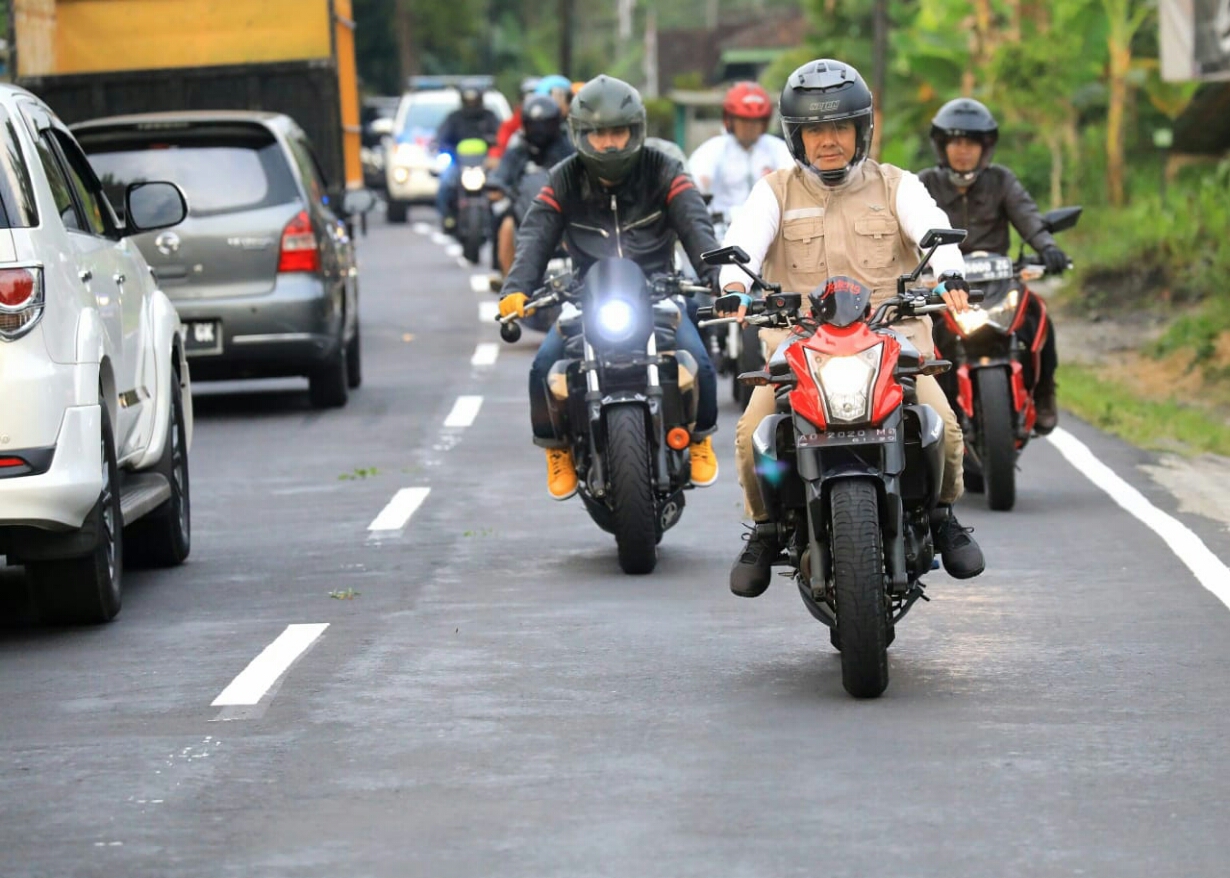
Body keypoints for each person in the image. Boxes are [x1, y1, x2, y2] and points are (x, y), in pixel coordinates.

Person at [717, 59, 986, 598]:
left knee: (944, 424)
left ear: (861, 130)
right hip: (799, 345)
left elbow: (933, 228)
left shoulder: (897, 185)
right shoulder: (774, 191)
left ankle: (941, 516)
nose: (829, 141)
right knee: (752, 436)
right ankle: (765, 528)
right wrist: (734, 285)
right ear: (796, 138)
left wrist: (950, 270)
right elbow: (743, 241)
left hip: (894, 338)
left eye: (840, 127)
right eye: (815, 130)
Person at [498, 75, 723, 500]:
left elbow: (696, 225)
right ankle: (557, 449)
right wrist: (517, 289)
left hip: (659, 289)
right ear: (581, 136)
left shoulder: (663, 168)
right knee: (543, 366)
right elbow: (535, 236)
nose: (610, 144)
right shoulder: (562, 178)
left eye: (618, 132)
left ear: (635, 131)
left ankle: (699, 438)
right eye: (599, 134)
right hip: (587, 293)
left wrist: (716, 276)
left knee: (700, 361)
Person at [918, 97, 1067, 433]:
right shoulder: (924, 183)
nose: (963, 150)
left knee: (1038, 316)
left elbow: (1028, 217)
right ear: (942, 145)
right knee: (913, 335)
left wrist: (1048, 248)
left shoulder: (1001, 180)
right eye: (955, 141)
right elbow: (902, 225)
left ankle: (1044, 393)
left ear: (986, 147)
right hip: (942, 288)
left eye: (971, 142)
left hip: (998, 285)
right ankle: (917, 413)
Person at [489, 93, 576, 279]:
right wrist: (496, 186)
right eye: (535, 125)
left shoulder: (566, 149)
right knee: (505, 224)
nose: (540, 131)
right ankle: (507, 279)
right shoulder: (518, 150)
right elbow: (500, 175)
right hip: (524, 213)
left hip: (562, 211)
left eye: (545, 124)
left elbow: (580, 172)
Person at [687, 82, 794, 219]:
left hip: (771, 225)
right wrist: (699, 186)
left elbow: (795, 178)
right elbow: (698, 182)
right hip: (722, 230)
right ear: (730, 120)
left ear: (764, 122)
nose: (750, 127)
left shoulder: (778, 148)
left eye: (756, 121)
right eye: (743, 120)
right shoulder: (713, 149)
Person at [435, 81, 501, 232]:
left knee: (501, 187)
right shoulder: (454, 118)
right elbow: (442, 137)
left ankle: (498, 220)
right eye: (468, 100)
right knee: (446, 185)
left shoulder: (489, 117)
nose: (472, 104)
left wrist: (495, 146)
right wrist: (442, 145)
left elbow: (501, 137)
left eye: (474, 100)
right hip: (459, 165)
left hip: (485, 165)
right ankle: (448, 217)